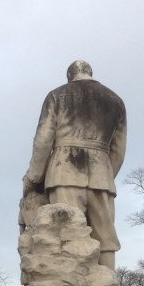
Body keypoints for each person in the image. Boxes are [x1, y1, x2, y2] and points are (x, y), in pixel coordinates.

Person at [22, 60, 127, 270]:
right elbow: (119, 150)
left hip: (64, 170)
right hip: (102, 174)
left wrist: (34, 177)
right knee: (105, 238)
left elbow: (43, 142)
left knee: (66, 232)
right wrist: (106, 174)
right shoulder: (115, 101)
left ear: (70, 75)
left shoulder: (57, 96)